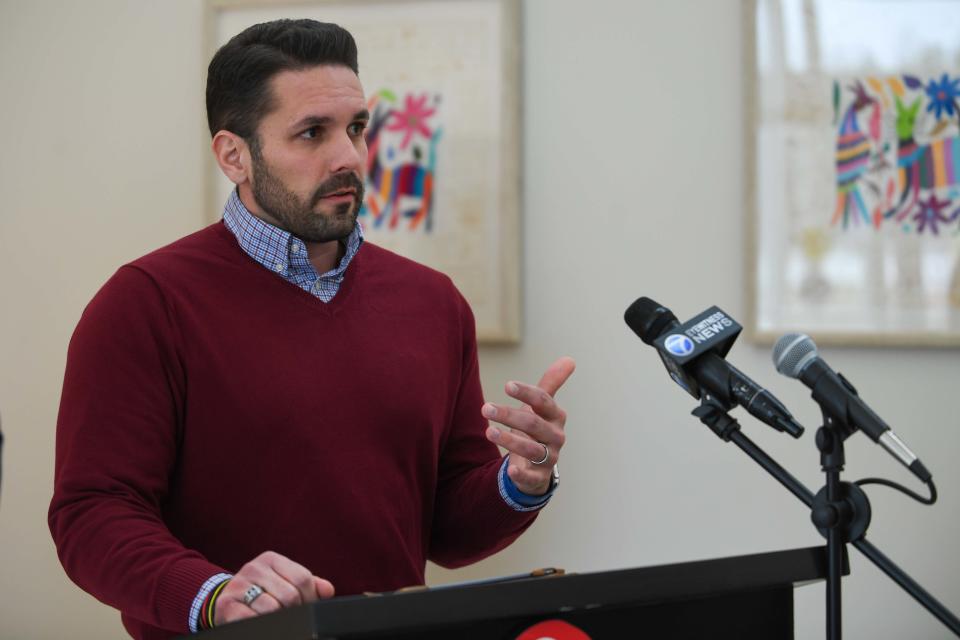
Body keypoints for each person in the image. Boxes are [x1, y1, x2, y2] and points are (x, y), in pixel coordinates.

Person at [48, 18, 574, 640]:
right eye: (312, 133)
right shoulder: (144, 304)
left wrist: (519, 481)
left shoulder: (434, 303)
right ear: (233, 154)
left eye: (356, 128)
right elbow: (92, 515)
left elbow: (449, 533)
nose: (349, 156)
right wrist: (216, 596)